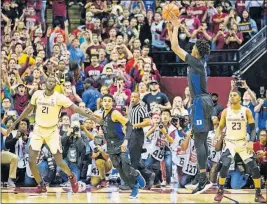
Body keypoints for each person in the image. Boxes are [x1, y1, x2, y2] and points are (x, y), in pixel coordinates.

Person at [8, 76, 103, 194]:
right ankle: (41, 184)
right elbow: (28, 110)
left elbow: (76, 108)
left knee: (59, 162)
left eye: (53, 81)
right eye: (49, 80)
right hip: (38, 129)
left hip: (52, 131)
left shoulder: (59, 97)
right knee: (32, 160)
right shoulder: (37, 94)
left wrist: (93, 117)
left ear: (55, 85)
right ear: (45, 83)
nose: (51, 82)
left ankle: (71, 177)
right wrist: (15, 124)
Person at [167, 14, 213, 194]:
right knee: (201, 141)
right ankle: (203, 177)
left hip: (200, 102)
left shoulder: (195, 61)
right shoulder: (199, 61)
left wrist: (177, 26)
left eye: (193, 46)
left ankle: (203, 180)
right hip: (203, 101)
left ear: (196, 51)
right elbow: (174, 45)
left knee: (199, 141)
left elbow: (175, 47)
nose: (192, 46)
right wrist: (172, 30)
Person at [214, 91, 265, 203]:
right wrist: (217, 136)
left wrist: (251, 142)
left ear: (240, 98)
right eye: (230, 95)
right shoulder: (225, 112)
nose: (232, 96)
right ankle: (220, 191)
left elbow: (252, 128)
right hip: (230, 143)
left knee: (254, 168)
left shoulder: (246, 111)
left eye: (235, 95)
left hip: (242, 142)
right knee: (225, 165)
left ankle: (258, 194)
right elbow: (221, 125)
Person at [101, 94, 146, 199]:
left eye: (109, 100)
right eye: (105, 100)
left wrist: (126, 141)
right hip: (110, 146)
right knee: (120, 171)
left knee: (126, 167)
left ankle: (136, 174)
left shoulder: (115, 113)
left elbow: (129, 125)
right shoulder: (103, 113)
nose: (107, 102)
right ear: (102, 102)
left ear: (112, 103)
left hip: (121, 143)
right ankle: (134, 187)